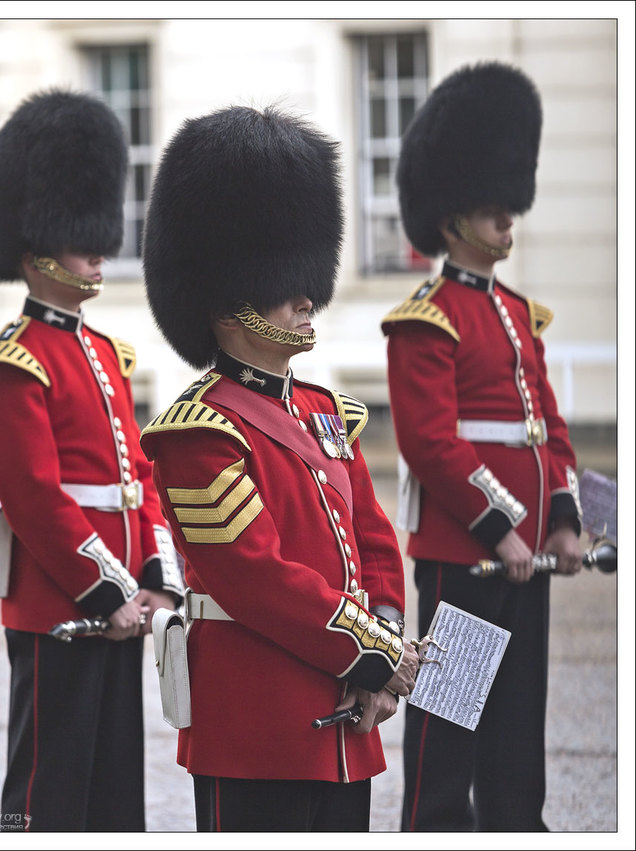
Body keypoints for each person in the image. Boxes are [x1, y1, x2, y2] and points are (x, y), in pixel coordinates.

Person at [139, 104, 421, 832]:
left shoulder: (328, 412)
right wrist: (375, 654)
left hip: (347, 718)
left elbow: (374, 542)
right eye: (283, 281)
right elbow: (258, 580)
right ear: (232, 301)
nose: (306, 297)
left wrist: (380, 659)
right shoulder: (200, 431)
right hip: (256, 725)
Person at [0, 89, 184, 832]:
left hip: (119, 601)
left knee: (115, 796)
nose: (100, 246)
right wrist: (108, 590)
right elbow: (34, 497)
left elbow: (139, 480)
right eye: (79, 236)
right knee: (49, 795)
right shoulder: (11, 363)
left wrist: (157, 579)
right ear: (33, 252)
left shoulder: (104, 354)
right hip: (64, 605)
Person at [381, 62, 584, 832]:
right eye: (494, 210)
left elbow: (550, 428)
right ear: (451, 216)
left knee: (515, 736)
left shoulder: (517, 314)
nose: (508, 223)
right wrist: (501, 528)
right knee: (449, 731)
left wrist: (562, 517)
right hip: (465, 558)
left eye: (510, 209)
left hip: (524, 555)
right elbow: (432, 444)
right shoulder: (426, 318)